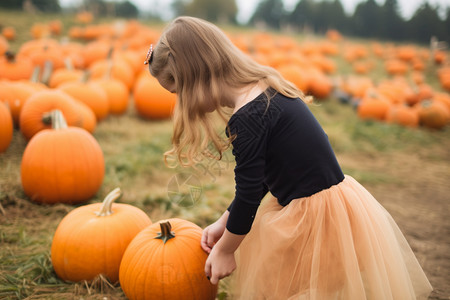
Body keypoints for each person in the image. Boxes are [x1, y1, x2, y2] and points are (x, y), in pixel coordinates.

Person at [146, 16, 433, 300]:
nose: (181, 102)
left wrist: (225, 250)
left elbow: (247, 194)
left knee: (294, 289)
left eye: (178, 92)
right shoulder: (264, 89)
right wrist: (224, 222)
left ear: (195, 76)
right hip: (331, 208)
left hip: (314, 220)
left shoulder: (247, 117)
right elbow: (261, 180)